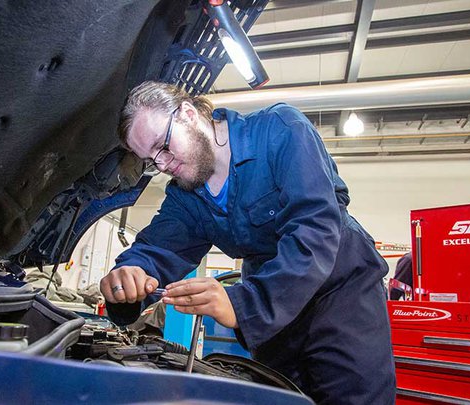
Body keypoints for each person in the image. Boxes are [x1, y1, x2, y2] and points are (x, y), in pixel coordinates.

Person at [99, 81, 395, 404]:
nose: (164, 164)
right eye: (151, 160)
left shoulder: (281, 131)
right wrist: (127, 276)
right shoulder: (186, 196)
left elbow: (316, 231)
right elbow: (156, 249)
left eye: (163, 145)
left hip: (340, 295)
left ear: (186, 113)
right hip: (277, 317)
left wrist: (243, 304)